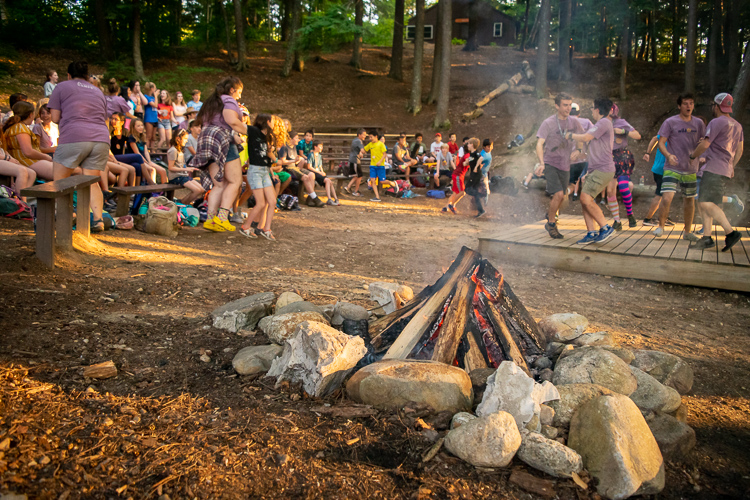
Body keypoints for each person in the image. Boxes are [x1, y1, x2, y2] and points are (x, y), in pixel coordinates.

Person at [48, 60, 110, 231]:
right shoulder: (97, 91)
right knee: (91, 180)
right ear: (87, 76)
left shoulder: (61, 87)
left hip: (74, 136)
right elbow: (103, 117)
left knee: (60, 181)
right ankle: (98, 220)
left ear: (68, 75)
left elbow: (54, 118)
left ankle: (65, 217)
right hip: (101, 139)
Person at [188, 76, 248, 232]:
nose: (239, 96)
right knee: (236, 181)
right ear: (232, 90)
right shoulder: (228, 100)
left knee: (220, 183)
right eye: (239, 92)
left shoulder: (212, 102)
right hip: (222, 140)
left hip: (206, 139)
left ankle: (210, 219)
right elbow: (231, 121)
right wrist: (251, 132)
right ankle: (222, 217)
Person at [689, 93, 744, 251]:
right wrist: (731, 165)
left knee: (706, 202)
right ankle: (706, 238)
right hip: (724, 169)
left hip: (713, 168)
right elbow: (740, 150)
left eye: (713, 105)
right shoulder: (737, 125)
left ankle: (730, 232)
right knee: (705, 202)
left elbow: (705, 144)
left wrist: (692, 155)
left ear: (717, 106)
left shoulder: (717, 121)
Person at [564, 97, 616, 244]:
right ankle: (591, 232)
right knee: (585, 200)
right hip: (596, 168)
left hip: (603, 168)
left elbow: (586, 137)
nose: (591, 111)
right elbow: (594, 148)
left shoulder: (604, 122)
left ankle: (605, 228)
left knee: (585, 198)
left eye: (593, 108)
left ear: (598, 109)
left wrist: (569, 135)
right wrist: (582, 158)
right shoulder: (601, 124)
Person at [653, 93, 705, 240]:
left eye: (691, 103)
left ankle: (687, 232)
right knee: (667, 197)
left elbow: (704, 142)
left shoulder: (699, 123)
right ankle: (660, 227)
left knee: (689, 199)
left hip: (690, 167)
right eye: (685, 103)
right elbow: (661, 142)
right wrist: (669, 155)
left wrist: (701, 155)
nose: (688, 106)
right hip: (672, 166)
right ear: (679, 106)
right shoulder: (670, 122)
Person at [535, 92, 584, 238]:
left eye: (570, 105)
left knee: (562, 197)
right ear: (557, 106)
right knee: (558, 194)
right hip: (551, 163)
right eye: (565, 105)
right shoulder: (548, 122)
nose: (568, 108)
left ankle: (550, 216)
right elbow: (539, 143)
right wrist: (542, 163)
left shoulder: (574, 122)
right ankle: (551, 224)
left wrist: (579, 149)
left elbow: (581, 137)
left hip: (565, 165)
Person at [239, 114, 278, 241]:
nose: (274, 124)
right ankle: (245, 227)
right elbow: (238, 126)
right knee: (260, 203)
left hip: (265, 171)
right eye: (272, 121)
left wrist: (274, 158)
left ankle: (266, 229)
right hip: (255, 171)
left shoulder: (268, 136)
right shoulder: (254, 131)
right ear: (267, 121)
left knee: (272, 201)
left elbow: (268, 154)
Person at [605, 104, 641, 230]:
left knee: (623, 185)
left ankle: (630, 214)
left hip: (623, 156)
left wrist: (624, 131)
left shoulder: (621, 122)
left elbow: (637, 135)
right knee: (610, 191)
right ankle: (617, 221)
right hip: (609, 157)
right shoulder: (602, 123)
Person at [3, 101, 55, 181]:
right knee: (68, 172)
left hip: (24, 161)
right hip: (28, 161)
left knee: (72, 170)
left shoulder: (12, 127)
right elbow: (28, 152)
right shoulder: (20, 128)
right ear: (31, 114)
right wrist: (46, 157)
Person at [279, 132, 320, 207]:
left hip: (295, 167)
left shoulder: (294, 147)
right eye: (297, 138)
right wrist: (294, 161)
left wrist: (298, 160)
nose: (298, 140)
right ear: (291, 139)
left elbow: (294, 160)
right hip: (288, 169)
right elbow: (282, 162)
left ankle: (310, 198)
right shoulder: (284, 147)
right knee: (305, 177)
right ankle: (315, 198)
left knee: (312, 174)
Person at [642, 135, 674, 226]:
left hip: (659, 169)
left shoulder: (666, 134)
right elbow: (654, 138)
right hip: (663, 170)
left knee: (665, 194)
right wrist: (648, 153)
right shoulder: (670, 133)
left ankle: (663, 217)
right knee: (660, 195)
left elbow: (654, 138)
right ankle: (648, 219)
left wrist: (648, 153)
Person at [167, 129, 204, 204]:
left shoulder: (179, 150)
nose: (186, 141)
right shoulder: (173, 151)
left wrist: (189, 169)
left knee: (201, 190)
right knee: (197, 190)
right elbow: (170, 167)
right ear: (178, 138)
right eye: (185, 139)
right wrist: (187, 169)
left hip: (183, 176)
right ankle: (182, 203)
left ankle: (183, 202)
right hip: (176, 177)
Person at [127, 118, 167, 184]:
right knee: (152, 170)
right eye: (138, 126)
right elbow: (137, 153)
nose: (141, 127)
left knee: (163, 170)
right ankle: (153, 189)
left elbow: (146, 151)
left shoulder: (142, 137)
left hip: (145, 160)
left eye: (142, 125)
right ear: (133, 127)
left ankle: (165, 190)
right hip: (138, 160)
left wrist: (149, 161)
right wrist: (145, 162)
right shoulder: (132, 138)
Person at [110, 113, 144, 185]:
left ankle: (135, 191)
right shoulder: (109, 132)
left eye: (116, 119)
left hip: (123, 157)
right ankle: (149, 181)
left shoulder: (125, 133)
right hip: (113, 158)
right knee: (138, 156)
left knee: (137, 166)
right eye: (112, 119)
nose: (113, 121)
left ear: (122, 122)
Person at [305, 140, 339, 205]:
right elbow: (309, 167)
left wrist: (322, 172)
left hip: (319, 173)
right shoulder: (311, 155)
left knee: (329, 182)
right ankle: (329, 199)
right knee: (327, 180)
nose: (321, 148)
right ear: (315, 147)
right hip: (314, 173)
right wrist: (319, 172)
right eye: (320, 146)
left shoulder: (320, 156)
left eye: (322, 146)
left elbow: (320, 166)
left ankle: (335, 198)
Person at [569, 102, 591, 200]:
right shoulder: (586, 122)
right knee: (573, 183)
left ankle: (556, 210)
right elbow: (595, 136)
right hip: (581, 160)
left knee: (564, 185)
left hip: (566, 160)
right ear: (578, 113)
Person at [442, 141, 470, 214]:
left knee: (455, 193)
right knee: (462, 192)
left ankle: (446, 207)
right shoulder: (467, 155)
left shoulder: (466, 155)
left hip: (457, 175)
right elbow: (466, 162)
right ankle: (451, 205)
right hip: (458, 175)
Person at [364, 131, 387, 202]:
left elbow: (384, 154)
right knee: (372, 180)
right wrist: (360, 153)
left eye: (371, 137)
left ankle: (393, 183)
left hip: (380, 166)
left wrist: (380, 161)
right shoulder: (370, 144)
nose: (370, 138)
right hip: (372, 165)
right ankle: (377, 196)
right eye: (369, 137)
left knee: (382, 181)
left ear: (376, 136)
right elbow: (364, 150)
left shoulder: (381, 144)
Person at [344, 128, 366, 196]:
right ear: (359, 135)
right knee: (359, 176)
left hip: (353, 160)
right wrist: (365, 151)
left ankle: (348, 187)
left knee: (356, 176)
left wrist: (360, 153)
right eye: (363, 134)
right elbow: (362, 150)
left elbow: (357, 150)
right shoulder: (359, 141)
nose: (365, 136)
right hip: (355, 161)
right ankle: (355, 191)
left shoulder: (355, 140)